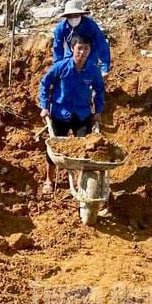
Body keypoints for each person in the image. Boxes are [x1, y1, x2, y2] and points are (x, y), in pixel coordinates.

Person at [38, 34, 105, 194]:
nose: (82, 52)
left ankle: (82, 182)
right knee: (54, 149)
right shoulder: (60, 67)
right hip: (60, 113)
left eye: (86, 49)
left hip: (82, 114)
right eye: (79, 48)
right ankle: (49, 179)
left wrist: (98, 111)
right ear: (73, 49)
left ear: (89, 51)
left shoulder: (93, 71)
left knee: (85, 149)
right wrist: (44, 106)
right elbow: (45, 85)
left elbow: (100, 91)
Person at [52, 0, 111, 75]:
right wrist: (58, 67)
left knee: (88, 72)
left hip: (90, 52)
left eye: (76, 15)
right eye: (70, 16)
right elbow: (57, 48)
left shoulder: (90, 25)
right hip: (71, 51)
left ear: (80, 15)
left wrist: (105, 67)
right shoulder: (61, 28)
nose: (73, 18)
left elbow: (101, 43)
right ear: (66, 17)